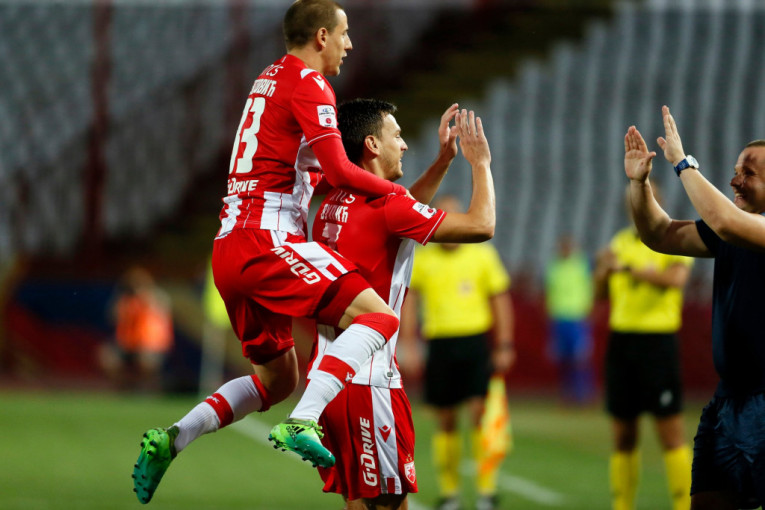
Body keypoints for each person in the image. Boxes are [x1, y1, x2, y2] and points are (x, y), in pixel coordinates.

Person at [133, 0, 414, 504]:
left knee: (277, 377)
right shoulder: (310, 83)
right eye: (344, 33)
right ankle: (303, 420)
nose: (349, 44)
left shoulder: (267, 79)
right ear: (322, 37)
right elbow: (341, 169)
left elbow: (310, 170)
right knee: (380, 317)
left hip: (229, 248)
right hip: (268, 241)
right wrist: (398, 194)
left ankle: (174, 438)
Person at [311, 99, 495, 510]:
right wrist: (480, 163)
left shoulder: (333, 203)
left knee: (359, 499)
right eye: (397, 135)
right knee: (389, 504)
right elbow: (482, 224)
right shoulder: (388, 206)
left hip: (329, 376)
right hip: (367, 380)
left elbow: (401, 212)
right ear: (372, 145)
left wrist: (444, 160)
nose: (405, 144)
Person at [624, 106, 765, 510]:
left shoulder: (736, 226)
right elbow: (659, 234)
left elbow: (725, 222)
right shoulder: (732, 227)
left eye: (749, 173)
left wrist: (683, 163)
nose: (735, 180)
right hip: (728, 401)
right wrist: (639, 184)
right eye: (736, 170)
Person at [400, 195, 515, 510]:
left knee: (480, 414)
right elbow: (410, 303)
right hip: (440, 344)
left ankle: (486, 491)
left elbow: (500, 299)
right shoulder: (424, 258)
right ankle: (450, 493)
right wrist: (408, 345)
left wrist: (505, 344)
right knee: (446, 419)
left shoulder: (482, 254)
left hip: (475, 342)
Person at [593, 182, 693, 510]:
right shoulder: (619, 242)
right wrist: (602, 272)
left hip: (658, 343)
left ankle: (685, 506)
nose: (636, 207)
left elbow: (676, 280)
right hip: (622, 343)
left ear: (655, 204)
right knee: (623, 435)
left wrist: (626, 269)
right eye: (633, 202)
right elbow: (600, 296)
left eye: (642, 200)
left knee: (670, 433)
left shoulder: (674, 238)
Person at [101, 266, 173, 393]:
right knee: (108, 357)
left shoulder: (156, 297)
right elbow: (112, 317)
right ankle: (123, 388)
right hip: (127, 344)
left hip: (151, 345)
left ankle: (146, 390)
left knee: (146, 360)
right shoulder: (125, 300)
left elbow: (162, 312)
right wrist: (121, 298)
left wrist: (146, 297)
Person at [544, 234, 595, 405]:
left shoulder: (582, 264)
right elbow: (548, 290)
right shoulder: (553, 266)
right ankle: (566, 395)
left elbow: (593, 288)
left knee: (580, 359)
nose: (565, 250)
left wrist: (590, 310)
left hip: (578, 318)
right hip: (558, 318)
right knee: (562, 359)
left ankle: (583, 395)